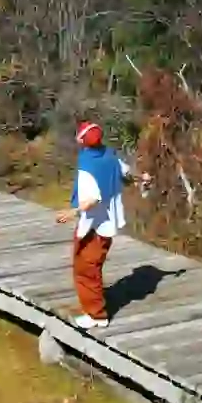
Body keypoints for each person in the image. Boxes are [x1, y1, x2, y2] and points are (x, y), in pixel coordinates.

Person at [55, 119, 149, 329]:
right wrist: (141, 177)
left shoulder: (88, 165)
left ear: (82, 141)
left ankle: (96, 315)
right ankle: (94, 307)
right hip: (109, 223)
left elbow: (93, 199)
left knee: (85, 269)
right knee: (93, 266)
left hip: (93, 224)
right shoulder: (110, 155)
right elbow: (127, 174)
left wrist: (72, 211)